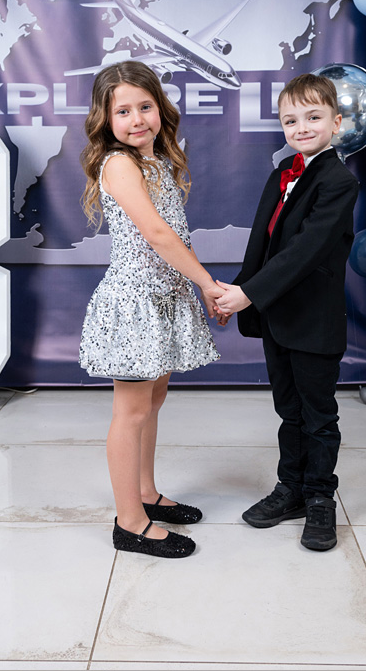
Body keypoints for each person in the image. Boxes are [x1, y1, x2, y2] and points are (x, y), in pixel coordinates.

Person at [79, 61, 225, 559]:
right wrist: (208, 283)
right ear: (106, 118)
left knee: (153, 399)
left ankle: (145, 492)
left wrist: (197, 287)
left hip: (164, 297)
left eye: (145, 106)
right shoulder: (119, 163)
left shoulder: (156, 162)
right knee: (132, 411)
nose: (137, 119)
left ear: (160, 108)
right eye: (123, 111)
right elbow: (158, 235)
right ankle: (130, 523)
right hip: (135, 303)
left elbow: (176, 234)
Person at [215, 74, 359, 552]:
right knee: (288, 410)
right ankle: (290, 488)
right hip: (278, 315)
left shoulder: (339, 181)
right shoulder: (282, 173)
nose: (302, 128)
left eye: (314, 117)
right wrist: (238, 291)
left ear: (336, 122)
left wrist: (249, 294)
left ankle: (320, 497)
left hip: (314, 320)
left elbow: (304, 251)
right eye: (291, 120)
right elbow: (263, 244)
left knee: (318, 416)